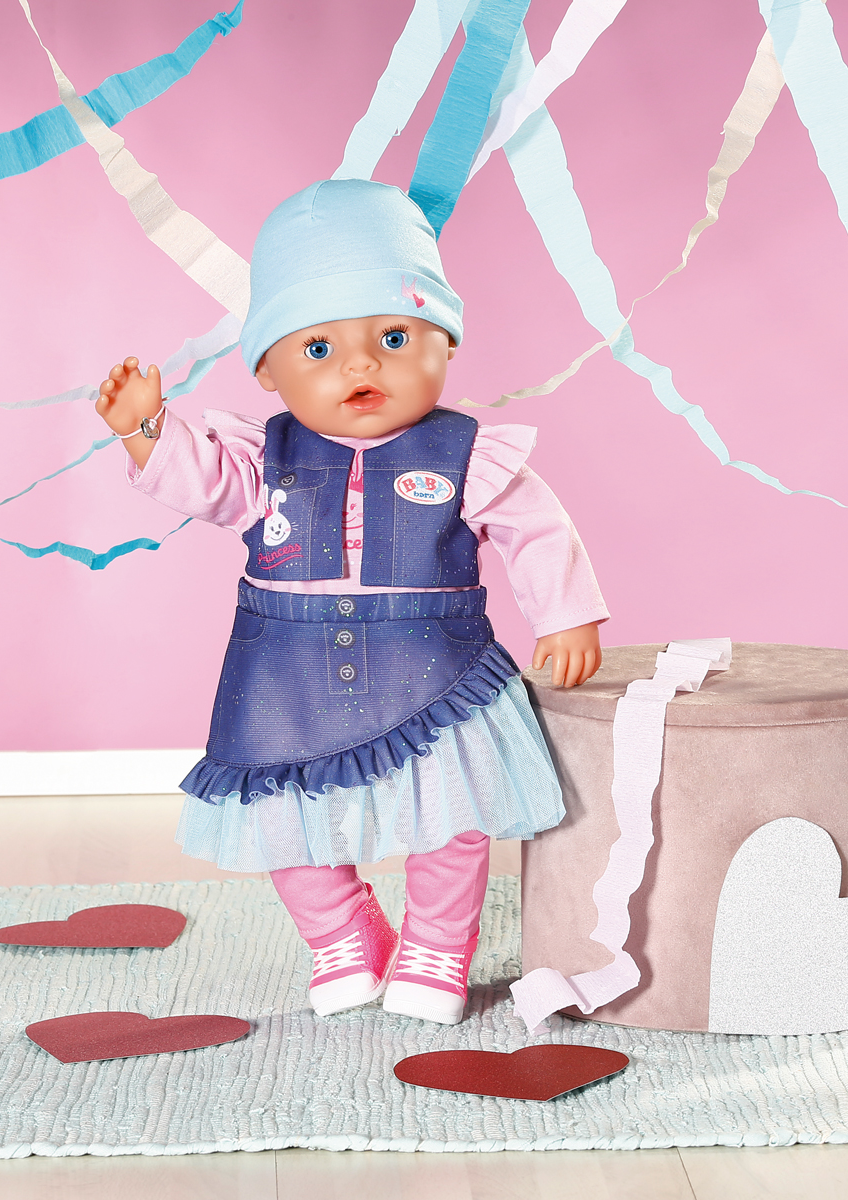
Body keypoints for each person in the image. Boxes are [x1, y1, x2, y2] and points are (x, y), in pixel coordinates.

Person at [96, 179, 607, 1025]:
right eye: (319, 348)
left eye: (394, 338)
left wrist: (565, 615)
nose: (362, 365)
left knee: (454, 812)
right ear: (269, 370)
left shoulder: (468, 455)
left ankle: (437, 946)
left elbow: (537, 528)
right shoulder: (260, 458)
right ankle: (340, 934)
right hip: (284, 673)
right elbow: (203, 484)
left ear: (446, 344)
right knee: (282, 812)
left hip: (434, 673)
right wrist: (145, 429)